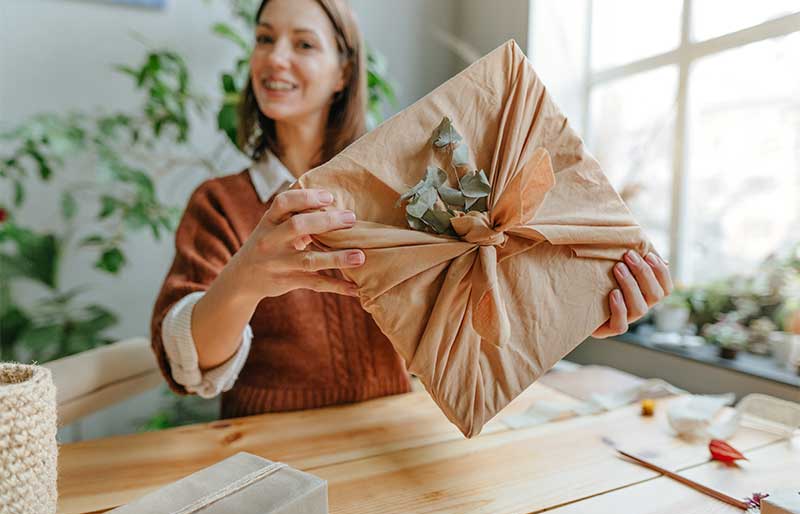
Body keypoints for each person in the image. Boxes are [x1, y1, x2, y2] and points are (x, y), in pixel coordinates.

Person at [150, 0, 673, 419]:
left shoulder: (411, 190)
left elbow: (463, 320)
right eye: (264, 38)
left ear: (343, 71)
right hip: (268, 458)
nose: (274, 57)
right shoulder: (220, 202)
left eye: (303, 43)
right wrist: (243, 280)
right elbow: (186, 365)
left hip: (397, 437)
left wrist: (572, 307)